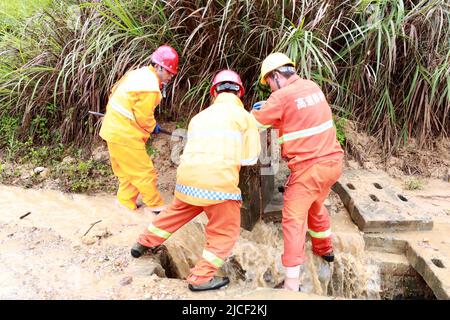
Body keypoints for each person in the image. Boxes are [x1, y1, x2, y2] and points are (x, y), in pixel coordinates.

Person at [130, 69, 261, 292]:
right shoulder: (246, 118)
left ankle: (144, 242)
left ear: (214, 92)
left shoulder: (199, 117)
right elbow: (250, 158)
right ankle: (200, 278)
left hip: (187, 181)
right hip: (219, 186)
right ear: (240, 92)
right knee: (224, 232)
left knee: (175, 214)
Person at [251, 52, 344, 291]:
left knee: (292, 220)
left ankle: (291, 284)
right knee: (315, 204)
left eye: (269, 83)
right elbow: (298, 119)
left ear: (276, 76)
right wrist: (274, 111)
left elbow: (254, 123)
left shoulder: (280, 97)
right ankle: (325, 249)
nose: (269, 88)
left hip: (309, 169)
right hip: (332, 163)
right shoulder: (311, 86)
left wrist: (256, 112)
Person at [99, 45, 179, 214]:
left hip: (112, 130)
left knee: (129, 174)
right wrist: (152, 127)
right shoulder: (150, 86)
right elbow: (143, 116)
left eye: (172, 72)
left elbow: (114, 91)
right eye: (168, 71)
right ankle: (155, 208)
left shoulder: (138, 74)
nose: (171, 76)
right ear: (158, 66)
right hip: (124, 134)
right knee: (144, 172)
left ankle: (124, 205)